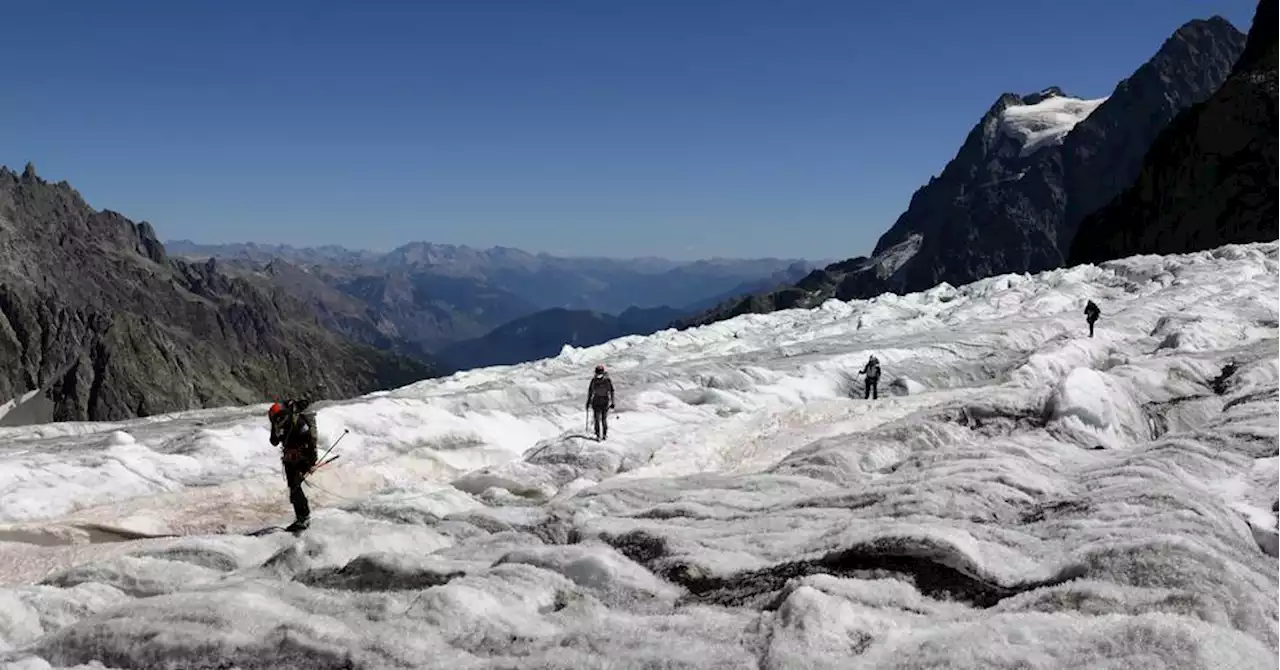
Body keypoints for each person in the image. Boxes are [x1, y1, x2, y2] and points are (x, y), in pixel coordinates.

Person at [268, 398, 319, 532]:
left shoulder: (299, 423)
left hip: (301, 459)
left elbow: (310, 443)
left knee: (295, 488)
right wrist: (275, 428)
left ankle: (303, 518)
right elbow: (274, 441)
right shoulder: (282, 422)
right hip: (290, 459)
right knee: (294, 488)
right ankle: (302, 518)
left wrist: (310, 462)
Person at [586, 364, 616, 441]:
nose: (598, 374)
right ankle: (598, 434)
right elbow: (590, 392)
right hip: (596, 401)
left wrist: (613, 402)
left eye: (600, 372)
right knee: (596, 419)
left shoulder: (607, 380)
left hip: (604, 401)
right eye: (598, 372)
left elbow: (611, 391)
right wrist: (588, 402)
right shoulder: (594, 381)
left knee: (603, 419)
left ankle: (604, 434)